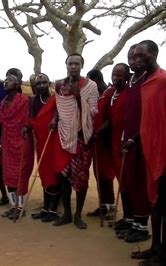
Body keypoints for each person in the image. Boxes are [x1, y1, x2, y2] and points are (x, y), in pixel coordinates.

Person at [130, 40, 166, 265]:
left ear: (155, 54)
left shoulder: (163, 80)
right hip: (150, 151)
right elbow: (149, 120)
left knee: (165, 206)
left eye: (143, 55)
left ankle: (164, 255)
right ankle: (155, 246)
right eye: (136, 55)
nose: (138, 59)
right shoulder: (147, 81)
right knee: (155, 204)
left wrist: (165, 154)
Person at [52, 54, 99, 229]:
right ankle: (67, 214)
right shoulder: (59, 84)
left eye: (76, 64)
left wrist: (79, 97)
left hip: (82, 138)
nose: (73, 66)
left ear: (82, 66)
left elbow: (94, 112)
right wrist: (54, 118)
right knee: (63, 176)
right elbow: (58, 106)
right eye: (70, 63)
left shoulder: (91, 86)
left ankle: (78, 215)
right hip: (63, 136)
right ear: (66, 64)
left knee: (81, 178)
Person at [115, 44, 151, 243]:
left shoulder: (148, 80)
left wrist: (134, 138)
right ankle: (131, 220)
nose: (134, 61)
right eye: (131, 58)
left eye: (138, 58)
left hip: (140, 141)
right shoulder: (131, 81)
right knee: (128, 182)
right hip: (127, 140)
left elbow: (148, 116)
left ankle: (142, 227)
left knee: (140, 184)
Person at [87, 65, 129, 225]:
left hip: (106, 141)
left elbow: (111, 119)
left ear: (96, 80)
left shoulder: (109, 93)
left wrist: (98, 133)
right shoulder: (100, 94)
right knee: (99, 175)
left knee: (106, 175)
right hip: (97, 141)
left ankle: (111, 207)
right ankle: (103, 205)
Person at [0, 68, 34, 220]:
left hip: (22, 142)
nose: (6, 82)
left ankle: (21, 207)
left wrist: (26, 128)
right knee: (9, 176)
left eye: (10, 80)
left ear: (18, 84)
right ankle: (13, 206)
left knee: (21, 175)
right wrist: (0, 144)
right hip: (7, 142)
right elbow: (2, 124)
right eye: (5, 79)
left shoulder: (24, 101)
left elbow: (29, 122)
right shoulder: (3, 102)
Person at [29, 73, 61, 223]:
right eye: (38, 83)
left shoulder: (56, 99)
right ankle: (45, 208)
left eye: (44, 83)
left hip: (54, 142)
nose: (41, 85)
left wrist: (55, 118)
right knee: (44, 173)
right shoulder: (34, 100)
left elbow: (61, 115)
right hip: (41, 142)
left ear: (49, 83)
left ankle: (53, 210)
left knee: (53, 174)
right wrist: (26, 127)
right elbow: (32, 120)